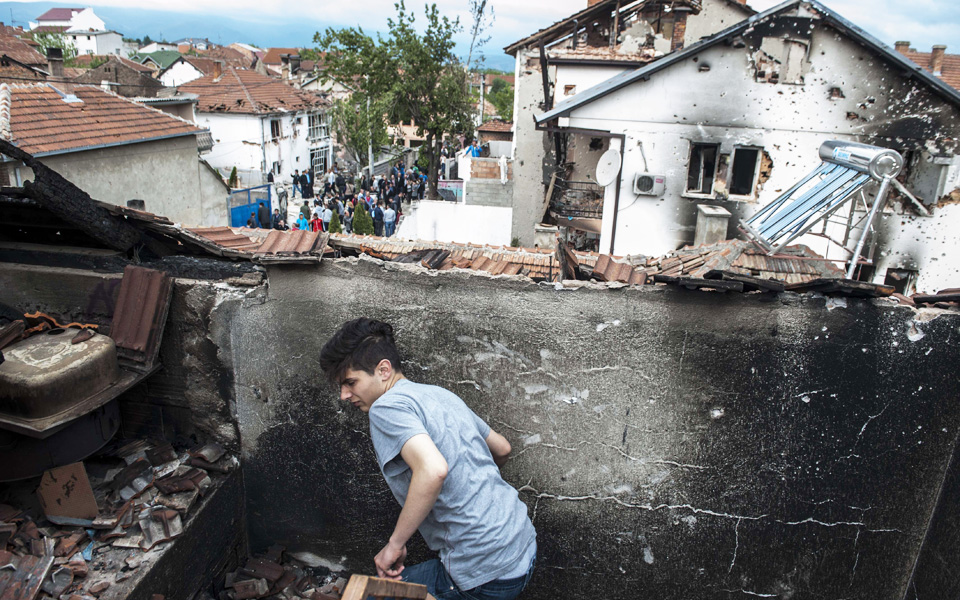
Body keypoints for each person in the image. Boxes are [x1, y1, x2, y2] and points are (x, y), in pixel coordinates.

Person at [319, 319, 536, 600]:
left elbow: (433, 470)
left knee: (369, 596)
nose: (344, 395)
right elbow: (503, 449)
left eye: (350, 382)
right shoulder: (439, 395)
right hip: (522, 545)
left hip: (486, 573)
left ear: (383, 370)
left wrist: (395, 545)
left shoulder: (386, 407)